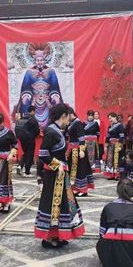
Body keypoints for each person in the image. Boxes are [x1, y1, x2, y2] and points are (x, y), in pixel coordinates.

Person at [34, 103, 85, 247]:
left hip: (61, 174)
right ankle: (50, 237)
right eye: (68, 116)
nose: (69, 119)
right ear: (63, 116)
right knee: (54, 205)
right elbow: (43, 154)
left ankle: (58, 235)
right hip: (54, 175)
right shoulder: (51, 132)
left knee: (63, 205)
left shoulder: (58, 130)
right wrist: (57, 166)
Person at [17, 43, 63, 129]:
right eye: (38, 60)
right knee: (25, 102)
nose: (40, 62)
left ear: (45, 59)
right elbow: (26, 87)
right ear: (34, 60)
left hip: (47, 99)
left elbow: (54, 87)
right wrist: (26, 95)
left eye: (41, 60)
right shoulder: (29, 72)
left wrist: (54, 95)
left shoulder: (51, 71)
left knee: (57, 102)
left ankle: (54, 126)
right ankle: (27, 127)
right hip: (34, 99)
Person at [66, 107, 94, 197]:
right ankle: (77, 188)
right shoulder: (71, 123)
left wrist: (82, 150)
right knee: (74, 170)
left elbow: (81, 137)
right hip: (72, 149)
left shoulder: (77, 123)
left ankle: (83, 189)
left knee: (81, 169)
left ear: (70, 114)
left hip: (78, 149)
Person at [15, 105, 40, 177]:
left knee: (26, 153)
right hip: (30, 139)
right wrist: (33, 135)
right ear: (32, 111)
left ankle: (20, 165)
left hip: (22, 139)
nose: (35, 113)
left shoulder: (22, 118)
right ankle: (27, 172)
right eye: (34, 111)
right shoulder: (32, 119)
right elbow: (37, 130)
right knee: (30, 154)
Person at [103, 112, 125, 180]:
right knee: (110, 159)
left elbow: (121, 136)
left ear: (115, 117)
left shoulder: (120, 125)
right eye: (109, 119)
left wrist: (119, 145)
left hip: (117, 144)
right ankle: (110, 174)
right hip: (110, 145)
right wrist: (106, 146)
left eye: (110, 118)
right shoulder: (110, 126)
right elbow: (108, 136)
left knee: (117, 159)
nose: (110, 120)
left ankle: (117, 175)